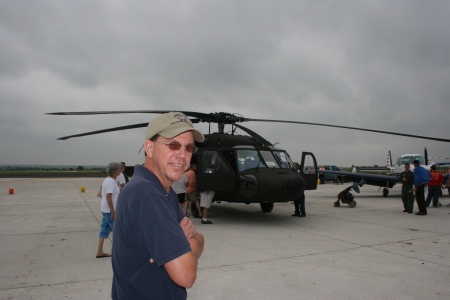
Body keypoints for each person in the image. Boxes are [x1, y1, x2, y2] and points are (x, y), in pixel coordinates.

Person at [112, 112, 205, 299]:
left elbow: (199, 237)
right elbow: (186, 276)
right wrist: (186, 241)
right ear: (149, 148)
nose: (182, 155)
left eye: (189, 148)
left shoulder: (165, 191)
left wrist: (186, 244)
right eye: (173, 145)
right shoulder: (148, 195)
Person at [96, 162, 121, 258]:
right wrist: (113, 211)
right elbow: (108, 196)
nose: (120, 170)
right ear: (115, 171)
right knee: (117, 231)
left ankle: (100, 251)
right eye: (119, 169)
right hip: (109, 210)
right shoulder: (111, 182)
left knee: (104, 229)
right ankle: (118, 252)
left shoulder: (108, 180)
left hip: (105, 209)